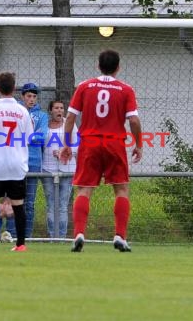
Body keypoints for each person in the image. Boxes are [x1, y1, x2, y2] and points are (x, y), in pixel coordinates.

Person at [60, 49, 142, 253]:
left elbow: (70, 118)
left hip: (89, 143)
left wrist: (67, 144)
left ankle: (79, 233)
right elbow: (133, 120)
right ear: (118, 67)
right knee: (121, 189)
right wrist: (139, 144)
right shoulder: (126, 89)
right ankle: (120, 236)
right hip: (114, 143)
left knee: (84, 189)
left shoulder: (84, 86)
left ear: (98, 65)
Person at [0, 71, 34, 251]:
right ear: (14, 88)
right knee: (18, 205)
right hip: (17, 165)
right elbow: (28, 138)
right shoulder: (22, 111)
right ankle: (20, 244)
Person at [42, 100, 78, 238]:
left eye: (62, 108)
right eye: (56, 108)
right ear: (51, 110)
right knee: (51, 205)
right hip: (47, 169)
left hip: (67, 169)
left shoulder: (70, 125)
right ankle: (53, 237)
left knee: (63, 206)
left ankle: (61, 237)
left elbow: (78, 143)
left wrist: (67, 151)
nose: (59, 110)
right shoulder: (45, 125)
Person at [18, 83, 49, 238]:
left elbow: (42, 136)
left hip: (34, 162)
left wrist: (23, 138)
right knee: (15, 200)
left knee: (29, 203)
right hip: (16, 161)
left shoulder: (42, 116)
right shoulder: (16, 113)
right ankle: (12, 234)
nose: (32, 99)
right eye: (29, 96)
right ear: (22, 96)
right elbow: (11, 136)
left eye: (34, 96)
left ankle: (27, 235)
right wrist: (30, 136)